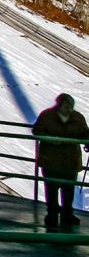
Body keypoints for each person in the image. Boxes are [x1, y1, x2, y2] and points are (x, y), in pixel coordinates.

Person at [32, 93, 89, 228]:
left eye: (71, 106)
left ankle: (67, 213)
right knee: (51, 188)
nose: (69, 109)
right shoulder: (46, 116)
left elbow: (84, 133)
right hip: (51, 160)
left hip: (70, 160)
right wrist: (51, 140)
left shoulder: (78, 117)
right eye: (67, 106)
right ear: (59, 105)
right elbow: (36, 131)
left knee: (68, 189)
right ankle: (52, 213)